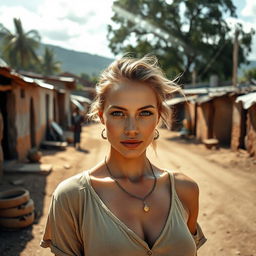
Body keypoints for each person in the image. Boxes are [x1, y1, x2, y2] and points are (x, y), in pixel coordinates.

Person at [40, 56, 207, 255]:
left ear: (158, 117)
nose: (131, 129)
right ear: (102, 116)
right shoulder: (72, 196)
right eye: (118, 113)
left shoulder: (185, 190)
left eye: (144, 113)